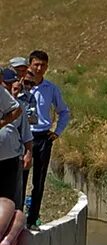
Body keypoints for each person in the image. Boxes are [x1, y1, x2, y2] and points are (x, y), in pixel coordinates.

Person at [24, 48, 69, 229]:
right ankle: (15, 219)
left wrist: (57, 131)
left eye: (43, 65)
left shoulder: (50, 89)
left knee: (39, 181)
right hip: (24, 137)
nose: (39, 68)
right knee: (20, 179)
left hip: (42, 137)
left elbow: (64, 111)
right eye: (36, 64)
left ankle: (33, 218)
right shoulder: (21, 87)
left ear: (47, 67)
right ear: (30, 65)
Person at [0, 69, 31, 210]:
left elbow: (17, 111)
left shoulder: (3, 96)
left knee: (11, 202)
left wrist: (28, 152)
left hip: (10, 158)